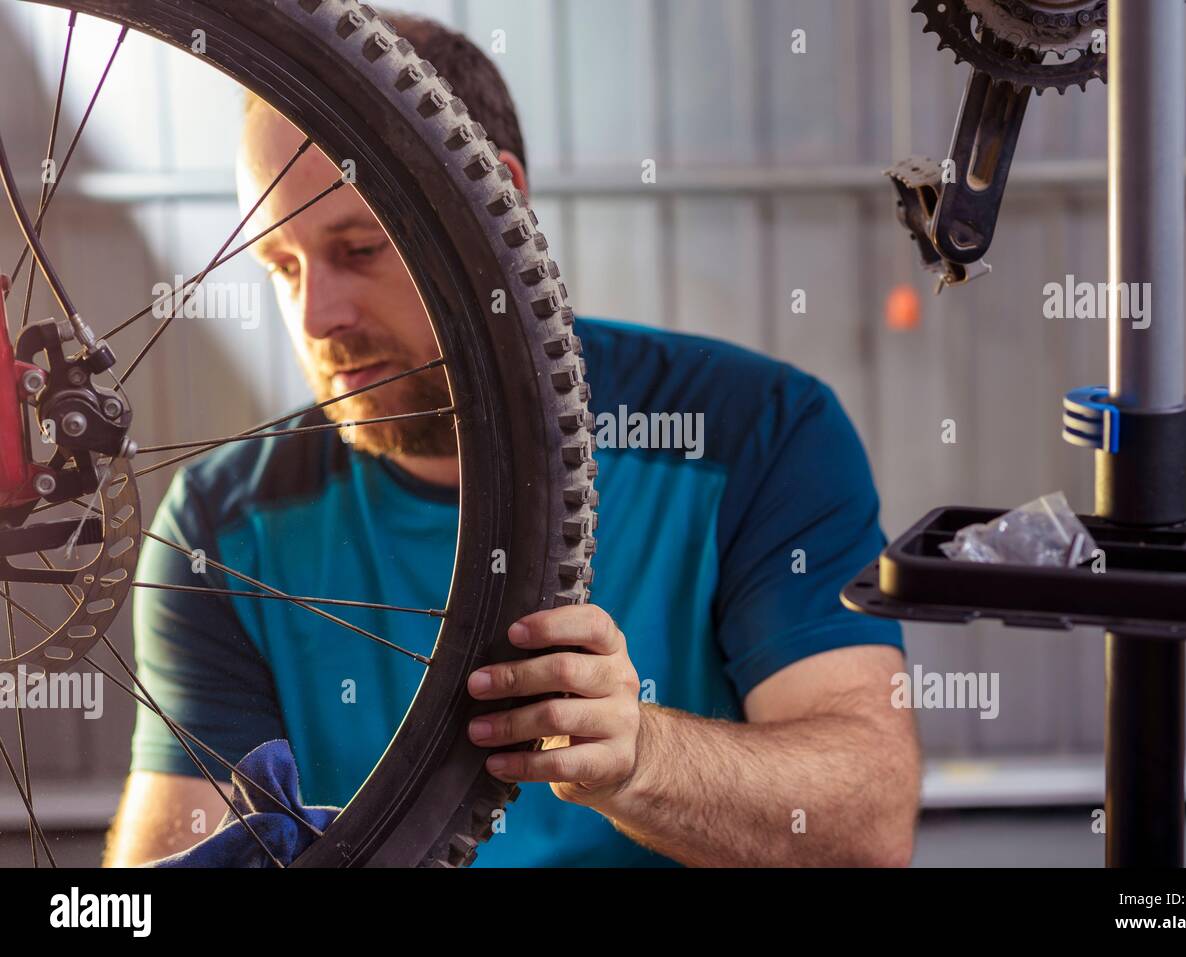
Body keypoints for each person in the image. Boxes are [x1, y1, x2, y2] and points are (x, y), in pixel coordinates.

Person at [104, 12, 920, 868]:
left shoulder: (759, 433)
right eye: (282, 265)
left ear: (494, 206)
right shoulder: (217, 527)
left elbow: (865, 828)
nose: (317, 317)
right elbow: (154, 876)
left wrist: (639, 756)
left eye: (359, 247)